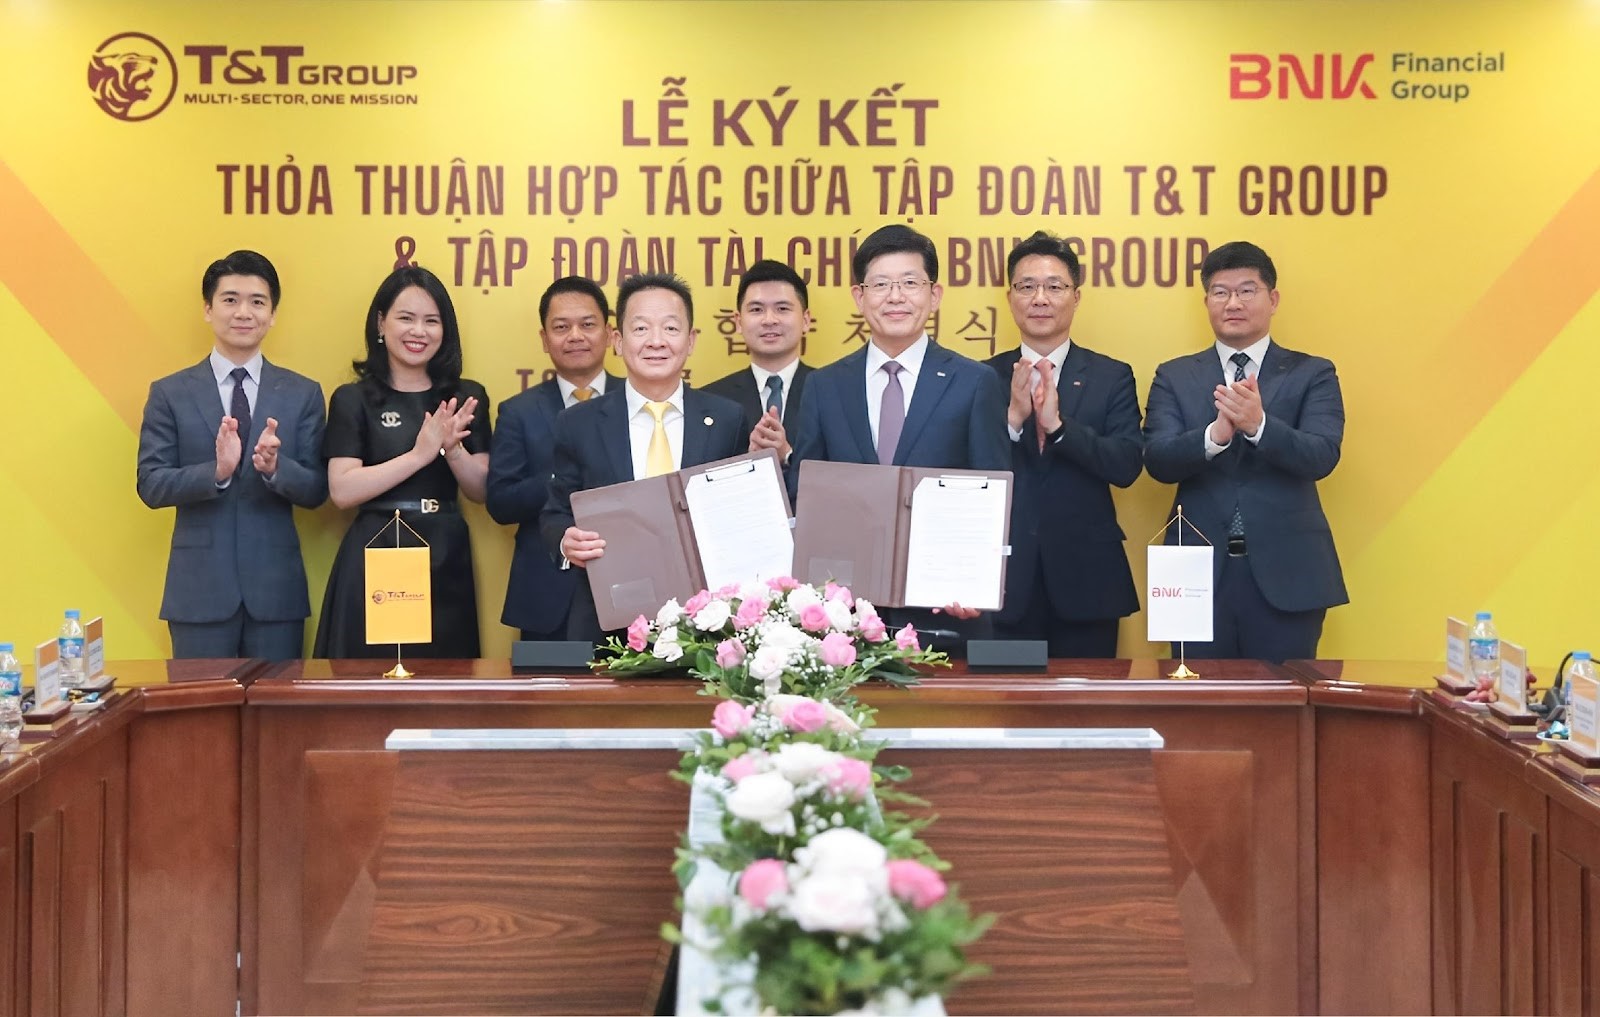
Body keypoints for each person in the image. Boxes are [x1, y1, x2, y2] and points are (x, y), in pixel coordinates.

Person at [786, 224, 1010, 644]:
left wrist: (976, 582)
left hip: (944, 613)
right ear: (859, 296)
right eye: (881, 284)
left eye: (910, 283)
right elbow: (807, 493)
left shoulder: (974, 382)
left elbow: (991, 492)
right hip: (844, 621)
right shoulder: (825, 386)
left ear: (934, 294)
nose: (895, 297)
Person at [1144, 241, 1347, 662]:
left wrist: (1259, 427)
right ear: (1207, 302)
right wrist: (1214, 437)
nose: (1233, 303)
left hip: (1289, 571)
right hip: (1194, 574)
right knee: (1194, 696)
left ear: (1273, 299)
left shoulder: (1313, 372)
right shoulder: (1174, 375)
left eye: (1247, 291)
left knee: (1283, 696)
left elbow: (1322, 454)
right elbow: (1158, 459)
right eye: (1220, 292)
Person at [136, 250, 328, 660]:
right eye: (230, 299)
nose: (244, 312)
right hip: (198, 594)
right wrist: (217, 472)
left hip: (277, 595)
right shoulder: (170, 393)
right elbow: (151, 484)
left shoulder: (303, 393)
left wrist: (276, 469)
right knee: (201, 704)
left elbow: (317, 488)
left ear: (272, 315)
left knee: (277, 704)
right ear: (208, 309)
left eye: (257, 301)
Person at [540, 273, 745, 643]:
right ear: (618, 341)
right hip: (608, 621)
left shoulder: (727, 419)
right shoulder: (578, 423)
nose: (656, 341)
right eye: (640, 328)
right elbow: (555, 514)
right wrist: (565, 542)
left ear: (691, 340)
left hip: (707, 623)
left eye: (670, 328)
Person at [313, 265, 491, 658]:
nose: (419, 331)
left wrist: (453, 450)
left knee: (444, 672)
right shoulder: (353, 398)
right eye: (406, 318)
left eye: (432, 321)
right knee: (371, 675)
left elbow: (481, 490)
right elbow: (342, 490)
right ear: (381, 323)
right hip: (376, 546)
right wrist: (419, 455)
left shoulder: (466, 395)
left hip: (445, 548)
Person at [987, 231, 1142, 658]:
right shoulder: (981, 377)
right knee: (1005, 696)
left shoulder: (1112, 376)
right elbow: (966, 472)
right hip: (1004, 583)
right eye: (1027, 286)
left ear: (1076, 297)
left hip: (1087, 584)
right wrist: (1012, 423)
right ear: (1010, 297)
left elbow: (1126, 464)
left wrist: (1058, 428)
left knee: (1086, 699)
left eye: (1054, 286)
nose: (1040, 298)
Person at [487, 276, 622, 642]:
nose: (575, 336)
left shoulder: (636, 402)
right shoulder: (518, 411)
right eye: (561, 327)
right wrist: (563, 478)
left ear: (610, 334)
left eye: (587, 324)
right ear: (545, 339)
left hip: (626, 583)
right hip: (546, 594)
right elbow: (501, 502)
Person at [699, 258, 814, 462]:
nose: (769, 320)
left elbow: (842, 470)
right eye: (756, 310)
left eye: (782, 309)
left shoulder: (832, 393)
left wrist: (788, 456)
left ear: (805, 320)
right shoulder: (711, 400)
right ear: (738, 321)